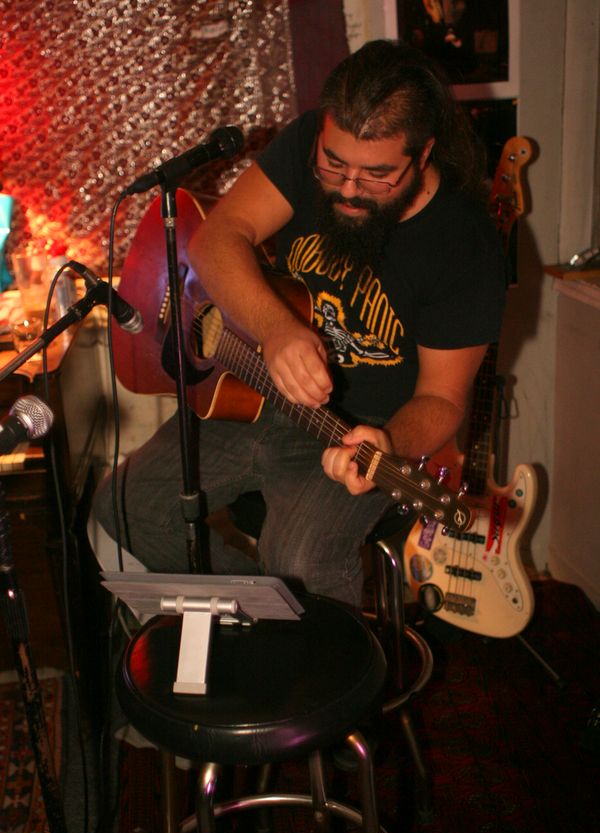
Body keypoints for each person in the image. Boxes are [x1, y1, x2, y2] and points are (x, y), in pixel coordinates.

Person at [93, 39, 506, 607]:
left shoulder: (465, 244)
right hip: (255, 389)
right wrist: (276, 329)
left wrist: (389, 443)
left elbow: (442, 399)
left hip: (358, 427)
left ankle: (308, 650)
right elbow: (217, 237)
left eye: (377, 174)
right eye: (333, 164)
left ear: (424, 153)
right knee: (124, 506)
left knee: (300, 564)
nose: (348, 189)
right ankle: (256, 624)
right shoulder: (309, 139)